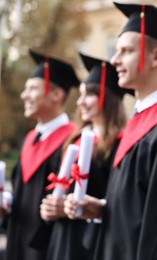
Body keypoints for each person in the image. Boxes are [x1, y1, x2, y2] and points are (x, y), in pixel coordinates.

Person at [63, 3, 157, 260]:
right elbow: (136, 207)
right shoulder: (141, 121)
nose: (114, 60)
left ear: (156, 57)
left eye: (125, 51)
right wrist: (102, 208)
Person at [39, 53, 131, 260]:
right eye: (79, 94)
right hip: (61, 239)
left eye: (88, 94)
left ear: (107, 96)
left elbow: (119, 200)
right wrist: (51, 208)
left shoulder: (121, 144)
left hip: (91, 241)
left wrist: (86, 206)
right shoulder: (74, 141)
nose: (80, 102)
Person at [0, 49, 79, 260]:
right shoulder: (30, 139)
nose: (24, 95)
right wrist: (7, 201)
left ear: (56, 94)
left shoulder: (73, 141)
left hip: (51, 250)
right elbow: (23, 193)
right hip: (17, 245)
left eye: (32, 88)